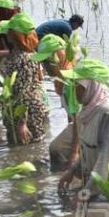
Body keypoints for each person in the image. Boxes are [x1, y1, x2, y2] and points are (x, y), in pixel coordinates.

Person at [56, 58, 109, 202]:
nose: (73, 88)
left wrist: (84, 194)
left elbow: (106, 161)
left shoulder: (107, 114)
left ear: (91, 85)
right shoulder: (88, 111)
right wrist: (72, 171)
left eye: (77, 84)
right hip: (93, 185)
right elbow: (90, 150)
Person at [0, 12, 48, 145]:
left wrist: (22, 123)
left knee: (30, 147)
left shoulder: (24, 59)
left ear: (15, 36)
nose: (6, 35)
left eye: (9, 32)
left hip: (27, 111)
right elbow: (15, 84)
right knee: (18, 147)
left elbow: (24, 91)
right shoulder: (18, 54)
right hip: (16, 108)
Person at [31, 33, 80, 171]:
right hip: (80, 125)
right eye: (43, 63)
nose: (44, 67)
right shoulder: (62, 80)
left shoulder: (72, 82)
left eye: (47, 61)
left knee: (55, 149)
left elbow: (79, 120)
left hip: (88, 126)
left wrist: (74, 153)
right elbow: (71, 118)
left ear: (60, 56)